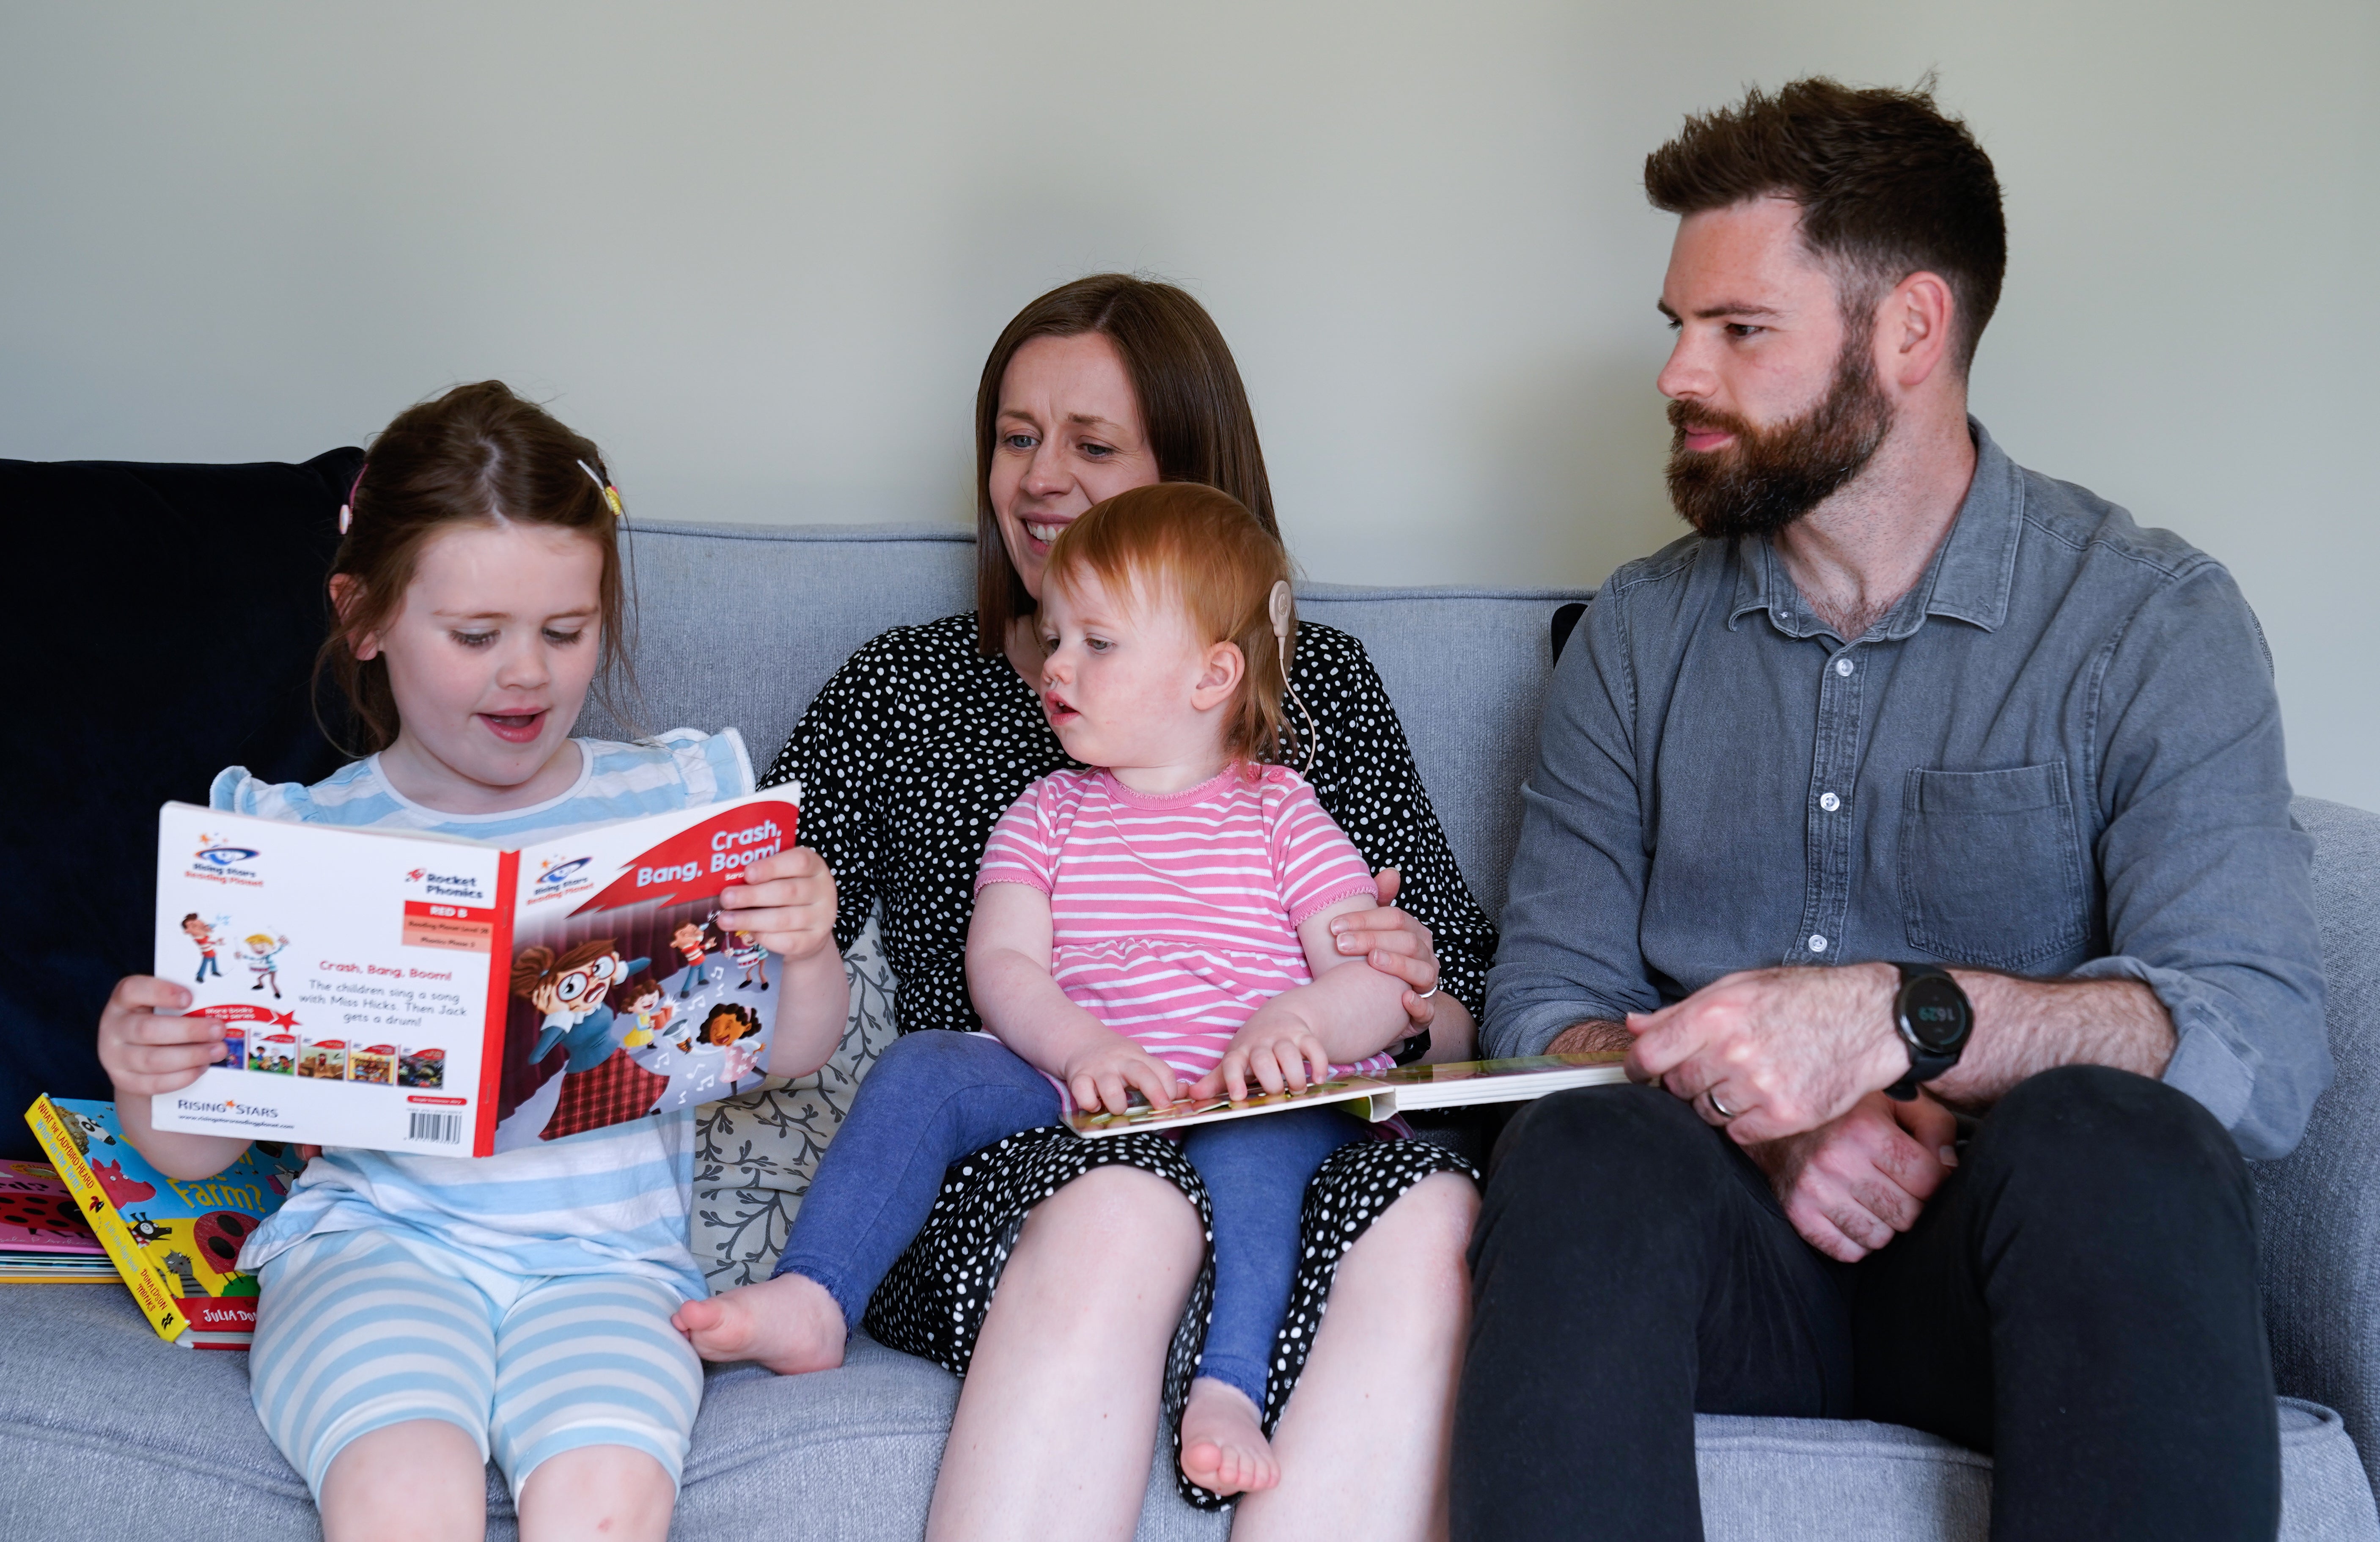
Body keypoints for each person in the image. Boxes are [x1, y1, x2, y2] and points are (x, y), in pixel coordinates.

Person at [1457, 79, 2328, 1542]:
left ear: (1910, 331)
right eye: (1676, 326)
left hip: (2011, 1278)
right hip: (1716, 1261)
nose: (1677, 373)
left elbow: (2255, 1040)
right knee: (1579, 1144)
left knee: (2123, 1144)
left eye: (1737, 332)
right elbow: (1544, 999)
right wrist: (1763, 1116)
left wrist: (1905, 1017)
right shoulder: (1636, 635)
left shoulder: (2146, 622)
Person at [687, 275, 1484, 1541]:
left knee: (1434, 1209)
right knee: (1123, 1203)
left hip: (1265, 1107)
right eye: (1016, 437)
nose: (1040, 478)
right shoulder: (909, 689)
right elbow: (724, 966)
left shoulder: (1312, 700)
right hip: (1022, 1149)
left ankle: (1244, 1398)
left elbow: (1457, 1013)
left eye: (1092, 445)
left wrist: (1384, 997)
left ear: (1189, 480)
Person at [93, 382, 851, 1542]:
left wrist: (806, 946)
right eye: (475, 636)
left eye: (565, 631)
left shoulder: (671, 804)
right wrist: (152, 1063)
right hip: (374, 1249)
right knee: (403, 1491)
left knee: (607, 1504)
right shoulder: (295, 841)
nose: (527, 677)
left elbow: (784, 1056)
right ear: (367, 617)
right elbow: (196, 1148)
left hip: (609, 1269)